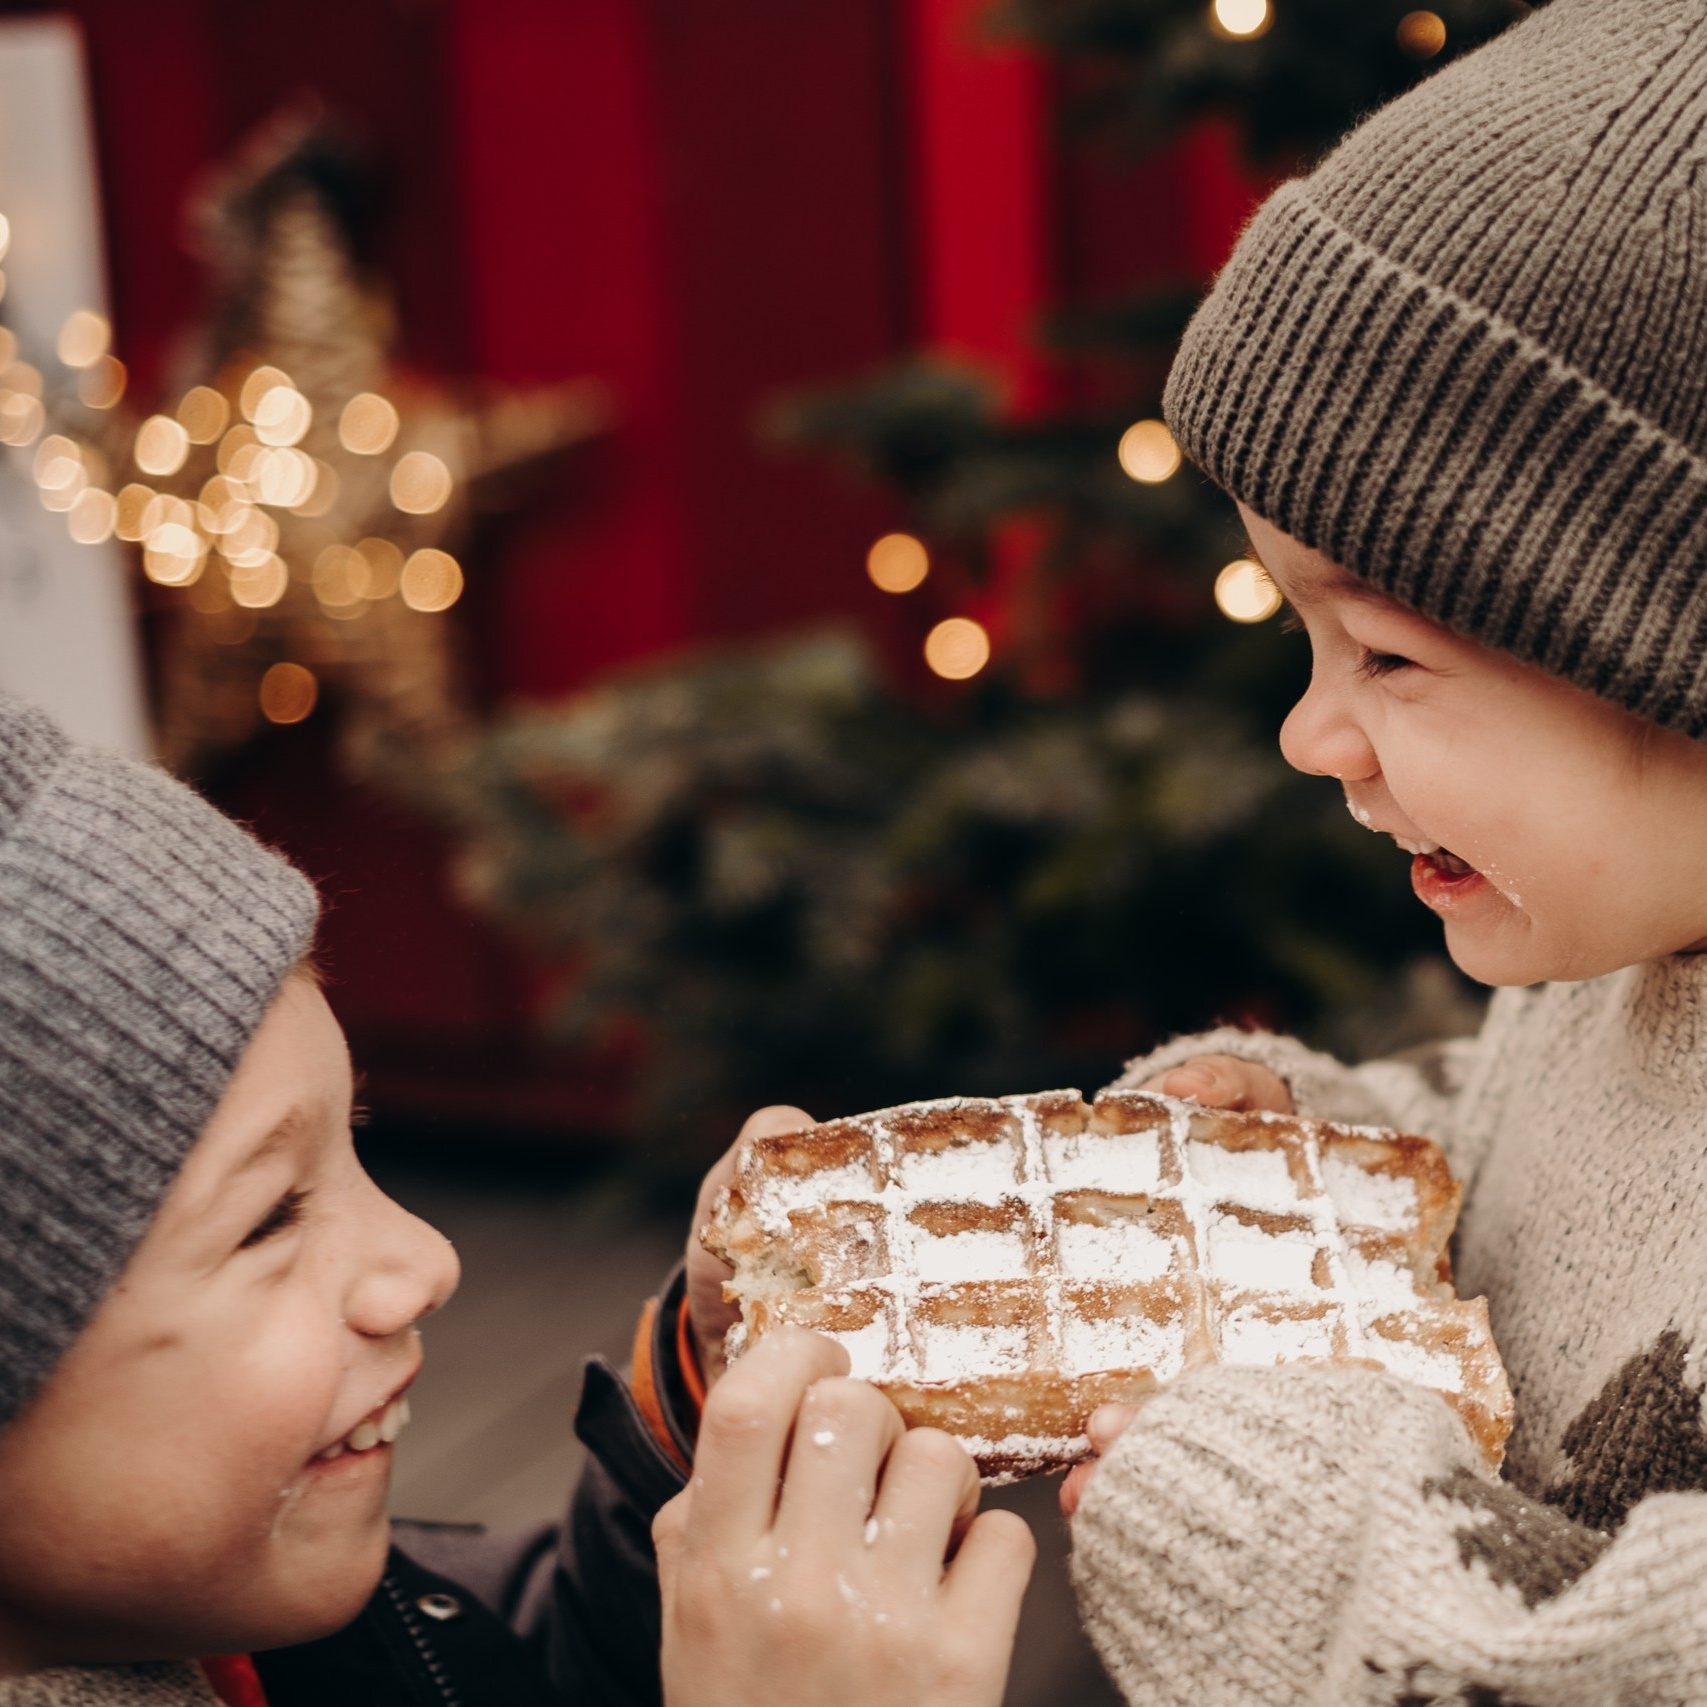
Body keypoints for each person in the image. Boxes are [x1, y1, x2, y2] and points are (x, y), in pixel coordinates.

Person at [1018, 1, 1707, 1701]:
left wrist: (1296, 1545)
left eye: (1388, 656)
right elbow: (1558, 1197)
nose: (1309, 734)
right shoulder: (1624, 952)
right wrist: (1330, 1167)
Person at [0, 695, 1032, 1707]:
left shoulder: (242, 1626)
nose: (428, 1260)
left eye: (357, 1137)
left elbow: (522, 1672)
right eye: (268, 1216)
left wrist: (705, 1437)